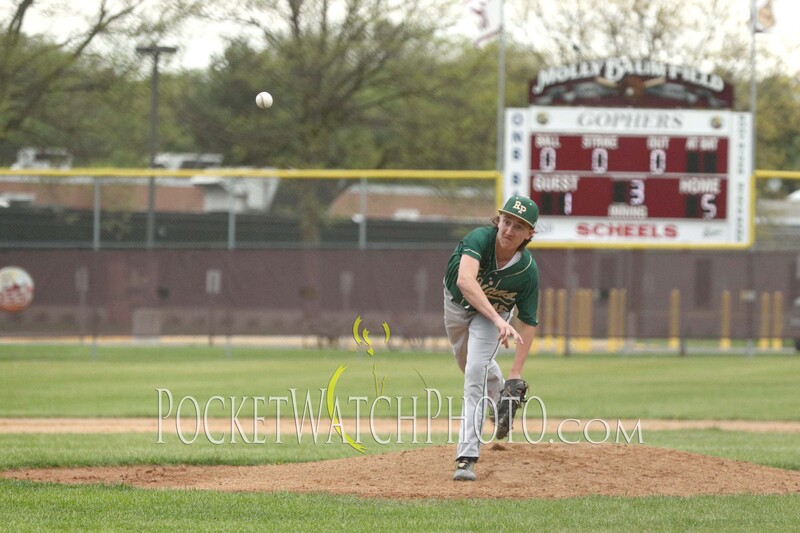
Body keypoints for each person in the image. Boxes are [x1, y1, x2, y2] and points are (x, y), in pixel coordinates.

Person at [442, 194, 540, 481]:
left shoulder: (527, 271)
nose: (510, 230)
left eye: (519, 226)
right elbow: (465, 281)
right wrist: (499, 319)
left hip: (490, 320)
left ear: (529, 234)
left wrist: (516, 372)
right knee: (467, 362)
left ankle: (466, 457)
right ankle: (500, 402)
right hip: (456, 304)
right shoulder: (479, 240)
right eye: (507, 221)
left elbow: (529, 322)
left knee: (474, 374)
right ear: (499, 221)